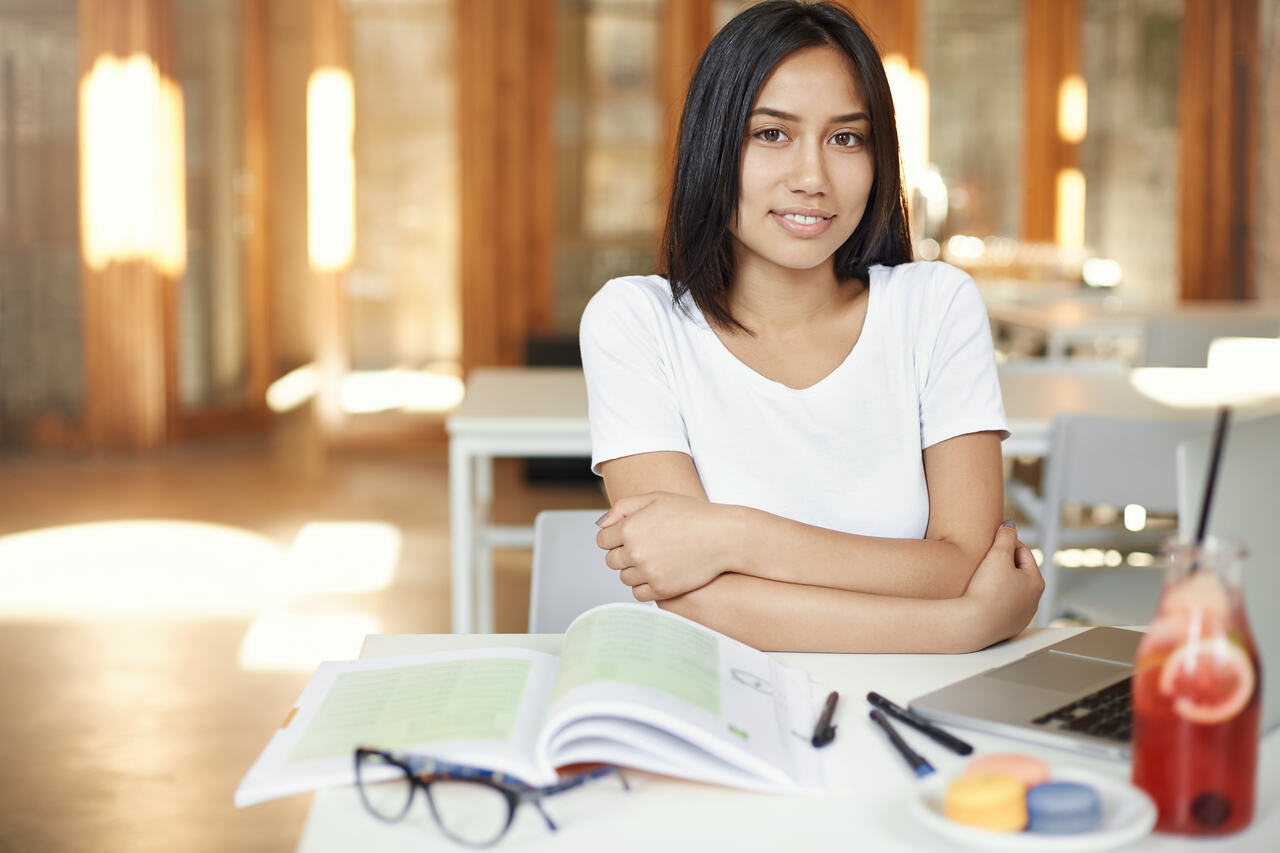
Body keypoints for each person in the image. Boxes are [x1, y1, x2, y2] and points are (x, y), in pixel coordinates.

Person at [579, 0, 1042, 653]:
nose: (812, 177)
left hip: (915, 703)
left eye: (846, 138)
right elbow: (689, 597)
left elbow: (963, 561)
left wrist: (734, 536)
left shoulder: (935, 306)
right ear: (714, 144)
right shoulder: (634, 321)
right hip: (719, 703)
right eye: (772, 134)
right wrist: (962, 623)